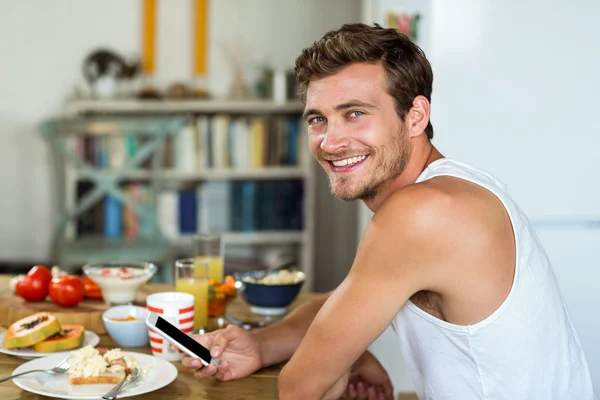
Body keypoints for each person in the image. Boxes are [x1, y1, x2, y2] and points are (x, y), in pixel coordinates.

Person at [183, 23, 597, 400]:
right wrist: (263, 345)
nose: (330, 141)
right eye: (317, 119)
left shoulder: (422, 213)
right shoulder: (445, 188)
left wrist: (345, 357)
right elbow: (346, 299)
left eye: (355, 113)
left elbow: (300, 389)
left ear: (415, 116)